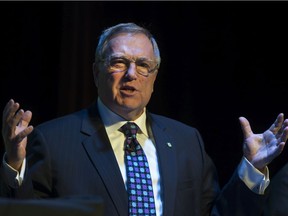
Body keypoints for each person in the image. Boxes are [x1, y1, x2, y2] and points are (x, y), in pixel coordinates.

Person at [1, 22, 288, 216]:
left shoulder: (187, 140)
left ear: (154, 77)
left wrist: (251, 167)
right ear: (95, 73)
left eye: (143, 65)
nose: (131, 75)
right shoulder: (53, 140)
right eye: (119, 62)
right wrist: (14, 164)